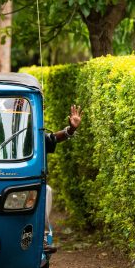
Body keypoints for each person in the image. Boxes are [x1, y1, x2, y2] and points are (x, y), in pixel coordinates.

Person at [42, 104, 82, 253]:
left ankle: (43, 236)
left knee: (45, 190)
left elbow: (54, 138)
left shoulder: (33, 136)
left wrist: (71, 129)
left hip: (27, 183)